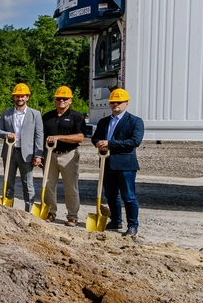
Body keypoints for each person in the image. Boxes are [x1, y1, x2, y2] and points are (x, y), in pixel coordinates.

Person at [92, 88, 144, 236]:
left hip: (125, 165)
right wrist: (98, 143)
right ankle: (116, 221)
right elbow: (95, 138)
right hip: (107, 163)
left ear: (126, 103)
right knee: (111, 195)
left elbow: (135, 141)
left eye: (119, 102)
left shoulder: (135, 121)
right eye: (112, 102)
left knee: (128, 196)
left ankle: (133, 226)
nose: (115, 105)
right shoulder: (104, 121)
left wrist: (110, 143)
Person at [42, 86, 87, 225]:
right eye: (59, 98)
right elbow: (40, 136)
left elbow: (80, 137)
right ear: (55, 100)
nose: (61, 100)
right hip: (50, 154)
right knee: (48, 185)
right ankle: (50, 212)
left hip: (68, 155)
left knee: (70, 187)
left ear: (70, 101)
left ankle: (72, 216)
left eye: (65, 99)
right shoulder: (47, 117)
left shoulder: (77, 117)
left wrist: (59, 137)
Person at [0, 83, 44, 211]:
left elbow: (39, 135)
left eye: (22, 96)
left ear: (27, 97)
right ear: (14, 97)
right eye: (17, 96)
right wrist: (8, 134)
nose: (20, 99)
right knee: (8, 182)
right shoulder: (6, 114)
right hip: (9, 153)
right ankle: (8, 210)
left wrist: (38, 154)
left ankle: (28, 211)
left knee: (27, 184)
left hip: (27, 154)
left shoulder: (35, 114)